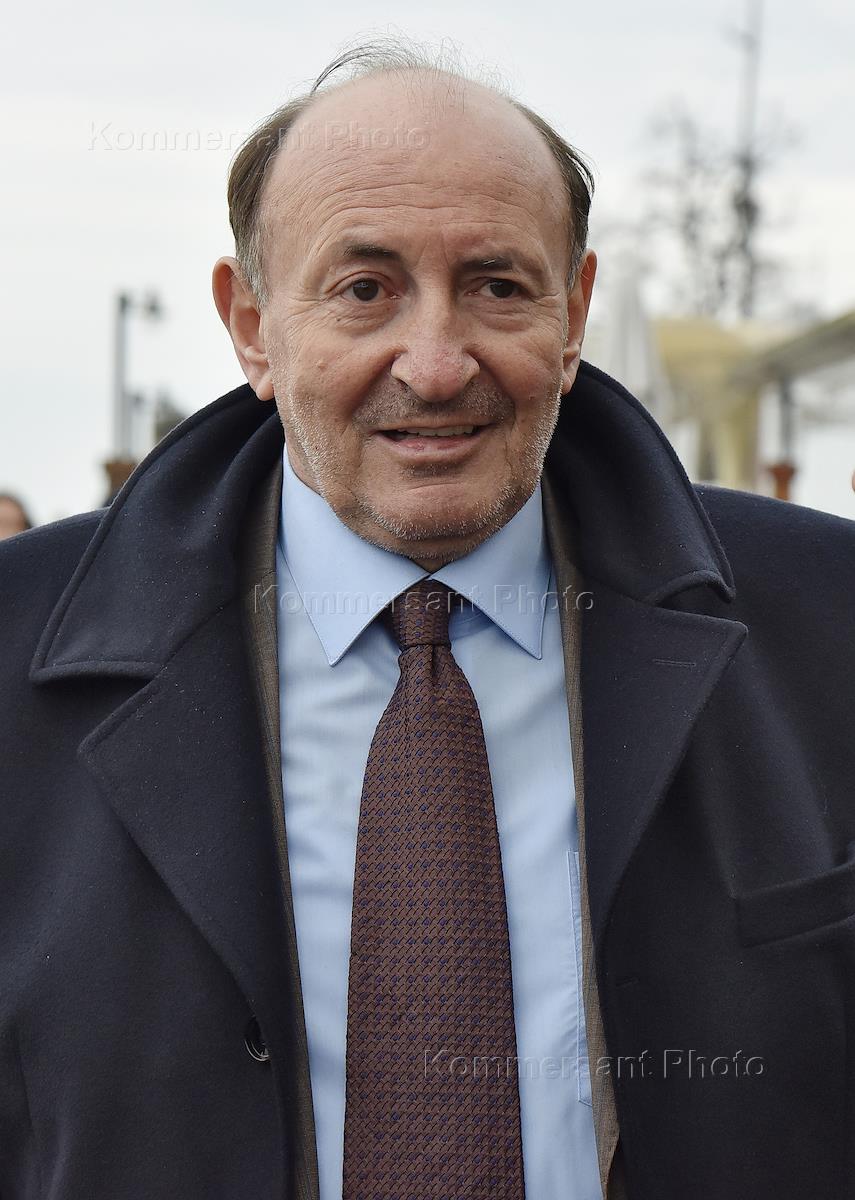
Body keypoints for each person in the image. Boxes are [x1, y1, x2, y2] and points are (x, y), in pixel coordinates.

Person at [1, 43, 854, 1200]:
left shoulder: (829, 624)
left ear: (575, 312)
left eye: (498, 286)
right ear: (251, 324)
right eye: (366, 289)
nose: (439, 365)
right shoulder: (18, 656)